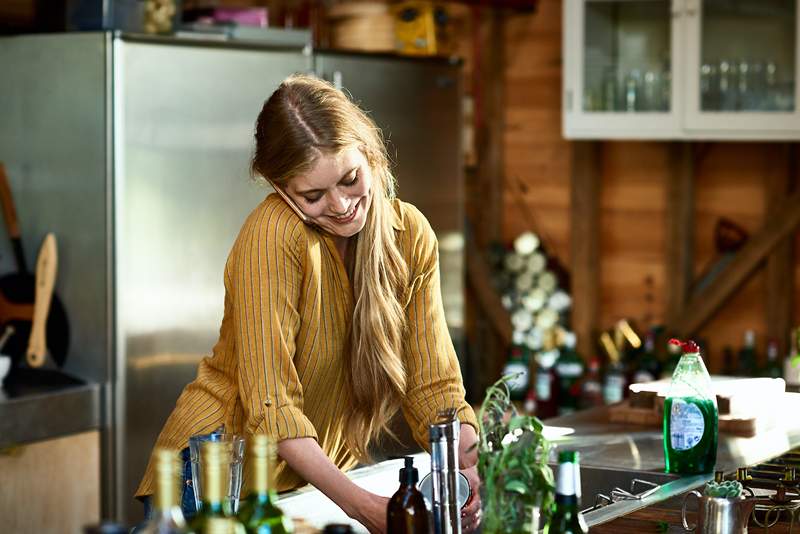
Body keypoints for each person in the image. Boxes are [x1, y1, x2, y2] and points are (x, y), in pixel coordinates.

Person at [135, 74, 481, 533]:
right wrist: (362, 506)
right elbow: (272, 407)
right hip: (217, 482)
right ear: (280, 189)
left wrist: (467, 466)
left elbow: (434, 386)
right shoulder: (273, 236)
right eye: (313, 195)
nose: (340, 206)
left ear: (370, 155)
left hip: (312, 482)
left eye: (350, 179)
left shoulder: (410, 235)